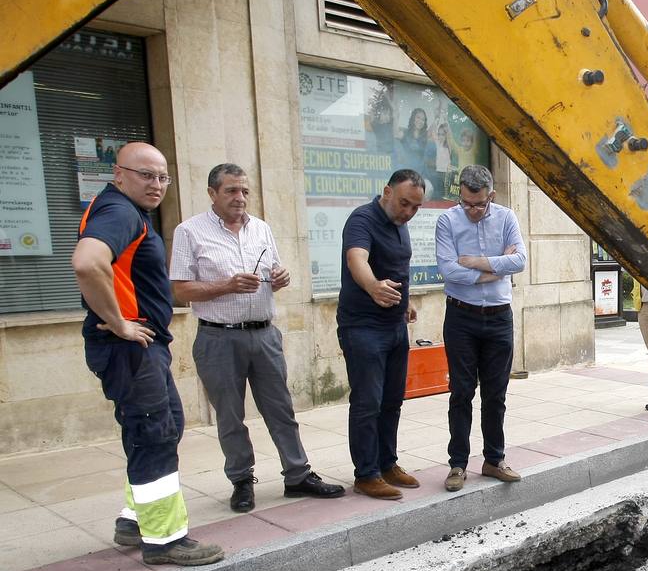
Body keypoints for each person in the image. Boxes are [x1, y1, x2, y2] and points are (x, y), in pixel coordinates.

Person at [72, 142, 224, 567]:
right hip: (130, 347)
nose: (156, 185)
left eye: (163, 177)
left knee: (160, 428)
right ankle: (165, 540)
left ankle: (134, 519)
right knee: (154, 435)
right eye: (146, 175)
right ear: (118, 174)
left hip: (136, 347)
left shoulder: (119, 209)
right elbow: (87, 263)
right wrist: (119, 322)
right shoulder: (120, 212)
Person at [170, 164, 345, 512]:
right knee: (230, 415)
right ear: (212, 194)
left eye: (245, 191)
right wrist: (227, 285)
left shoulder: (261, 229)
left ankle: (297, 475)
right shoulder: (189, 231)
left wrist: (280, 278)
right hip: (218, 339)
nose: (240, 198)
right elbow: (179, 289)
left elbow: (274, 274)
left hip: (264, 334)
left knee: (281, 409)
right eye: (231, 191)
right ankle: (241, 481)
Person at [435, 164, 527, 492]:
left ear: (492, 195)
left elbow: (520, 261)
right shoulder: (447, 220)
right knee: (461, 392)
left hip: (500, 317)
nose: (472, 211)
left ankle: (494, 459)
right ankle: (458, 464)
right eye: (466, 203)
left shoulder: (506, 217)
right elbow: (448, 270)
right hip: (462, 317)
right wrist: (495, 267)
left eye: (479, 204)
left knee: (495, 394)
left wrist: (475, 261)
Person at [338, 169, 426, 500]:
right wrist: (373, 286)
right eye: (404, 203)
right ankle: (366, 473)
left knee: (392, 400)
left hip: (394, 327)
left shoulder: (400, 227)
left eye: (415, 207)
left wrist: (406, 302)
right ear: (387, 192)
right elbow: (356, 258)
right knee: (367, 402)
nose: (408, 212)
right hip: (362, 327)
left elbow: (398, 268)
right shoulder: (362, 219)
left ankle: (387, 463)